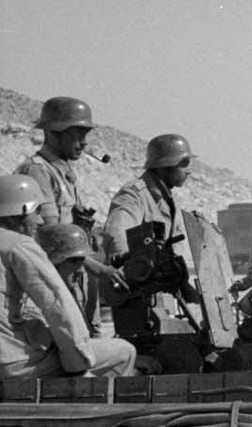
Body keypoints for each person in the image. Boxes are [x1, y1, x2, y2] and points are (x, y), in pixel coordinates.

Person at [0, 175, 136, 379]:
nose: (39, 220)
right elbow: (55, 302)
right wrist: (78, 364)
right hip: (15, 363)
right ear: (15, 214)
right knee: (124, 352)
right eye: (36, 211)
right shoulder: (19, 245)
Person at [16, 96, 126, 333]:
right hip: (56, 282)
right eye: (78, 135)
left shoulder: (62, 172)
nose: (84, 143)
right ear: (54, 133)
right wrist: (99, 269)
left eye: (86, 135)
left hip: (75, 278)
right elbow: (49, 239)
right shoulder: (38, 171)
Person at [102, 134, 195, 266]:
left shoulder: (169, 201)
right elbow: (118, 234)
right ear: (166, 165)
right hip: (140, 281)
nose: (188, 171)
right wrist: (128, 264)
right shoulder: (134, 195)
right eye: (184, 164)